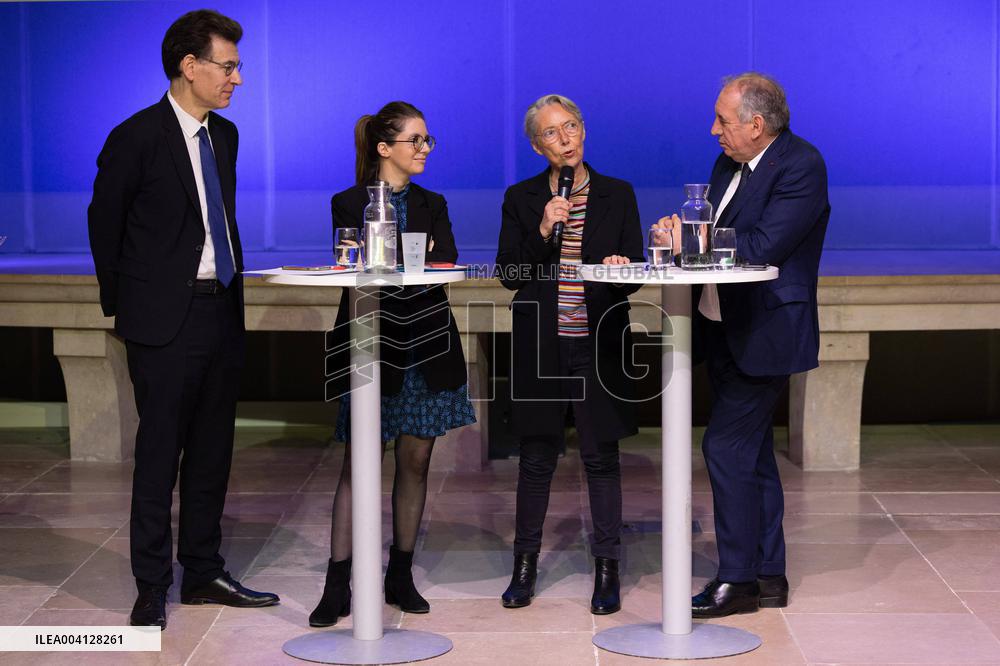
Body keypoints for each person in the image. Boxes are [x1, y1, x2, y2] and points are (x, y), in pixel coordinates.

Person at [87, 10, 279, 630]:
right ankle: (151, 583)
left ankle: (203, 570)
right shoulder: (135, 136)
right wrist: (128, 308)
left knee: (213, 451)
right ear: (188, 67)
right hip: (162, 321)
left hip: (220, 309)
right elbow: (105, 227)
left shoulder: (225, 137)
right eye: (228, 66)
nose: (237, 79)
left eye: (238, 67)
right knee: (160, 452)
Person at [657, 73, 830, 617]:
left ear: (757, 125)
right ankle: (768, 574)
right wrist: (679, 234)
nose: (713, 131)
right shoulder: (727, 165)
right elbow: (713, 239)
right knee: (752, 456)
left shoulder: (801, 165)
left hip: (768, 330)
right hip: (725, 325)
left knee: (724, 448)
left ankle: (737, 581)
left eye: (722, 121)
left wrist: (693, 238)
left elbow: (758, 247)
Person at [309, 101, 476, 627]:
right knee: (358, 463)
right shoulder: (348, 202)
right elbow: (352, 265)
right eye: (415, 140)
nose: (425, 149)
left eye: (428, 140)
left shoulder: (434, 202)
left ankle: (398, 574)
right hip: (369, 344)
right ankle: (338, 582)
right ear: (385, 149)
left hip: (426, 343)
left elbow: (445, 261)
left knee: (416, 461)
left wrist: (408, 261)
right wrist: (407, 260)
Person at [495, 94, 644, 615]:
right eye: (554, 133)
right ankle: (525, 567)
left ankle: (607, 570)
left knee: (601, 457)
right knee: (536, 458)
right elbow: (511, 276)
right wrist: (541, 231)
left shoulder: (617, 194)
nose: (567, 138)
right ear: (538, 145)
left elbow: (634, 274)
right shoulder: (521, 198)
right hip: (541, 343)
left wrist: (622, 266)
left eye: (573, 126)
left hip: (598, 343)